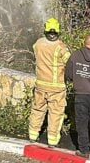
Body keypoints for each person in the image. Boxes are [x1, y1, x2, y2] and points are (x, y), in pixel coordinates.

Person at [28, 17, 70, 147]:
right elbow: (70, 63)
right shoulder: (61, 47)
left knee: (37, 109)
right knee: (56, 113)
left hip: (40, 85)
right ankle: (52, 140)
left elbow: (36, 53)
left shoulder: (38, 44)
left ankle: (33, 135)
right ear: (58, 31)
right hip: (57, 87)